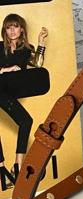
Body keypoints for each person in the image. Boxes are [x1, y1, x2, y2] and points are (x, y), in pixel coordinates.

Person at [0, 14, 48, 184]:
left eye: (15, 26)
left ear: (21, 29)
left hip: (8, 93)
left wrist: (41, 43)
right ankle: (5, 167)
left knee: (26, 121)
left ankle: (17, 164)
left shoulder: (27, 49)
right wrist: (6, 70)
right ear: (5, 30)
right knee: (25, 121)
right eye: (8, 27)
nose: (12, 30)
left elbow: (38, 65)